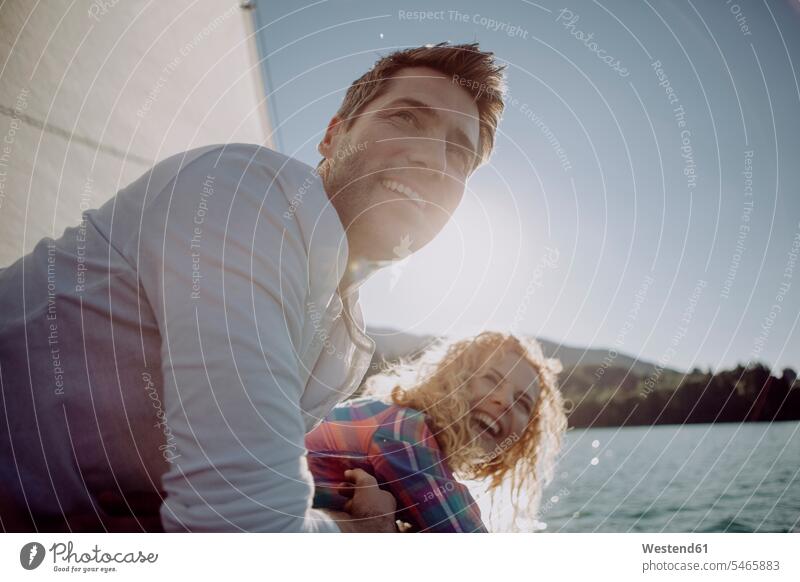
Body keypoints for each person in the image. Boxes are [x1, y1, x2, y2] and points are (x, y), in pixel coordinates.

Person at [0, 42, 506, 532]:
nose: (431, 159)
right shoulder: (245, 194)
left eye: (457, 154)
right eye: (405, 118)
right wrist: (358, 532)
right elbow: (242, 527)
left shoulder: (344, 346)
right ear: (333, 134)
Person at [305, 331, 568, 532]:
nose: (505, 401)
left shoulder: (410, 430)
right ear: (453, 379)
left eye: (522, 403)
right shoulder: (404, 430)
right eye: (491, 379)